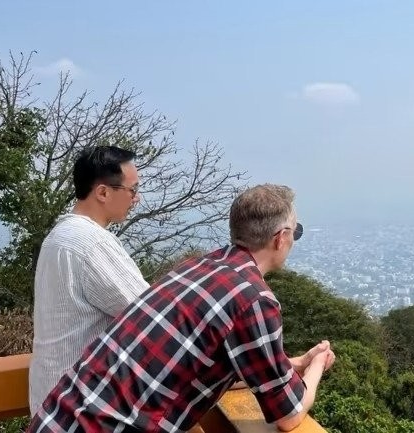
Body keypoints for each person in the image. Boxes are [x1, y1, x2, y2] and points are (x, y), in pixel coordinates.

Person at [27, 184, 335, 433]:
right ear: (280, 239)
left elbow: (199, 363)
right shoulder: (253, 298)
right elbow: (288, 414)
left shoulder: (196, 267)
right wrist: (318, 363)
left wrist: (291, 364)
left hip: (57, 418)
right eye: (296, 232)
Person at [29, 146, 149, 416]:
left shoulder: (59, 236)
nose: (137, 198)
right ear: (103, 192)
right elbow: (150, 317)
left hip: (52, 402)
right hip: (80, 407)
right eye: (133, 190)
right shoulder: (91, 243)